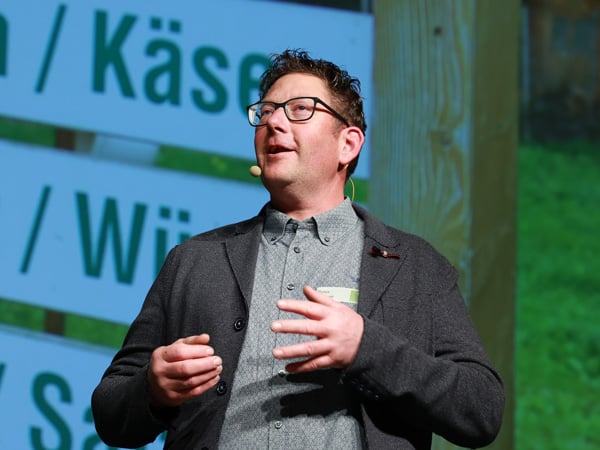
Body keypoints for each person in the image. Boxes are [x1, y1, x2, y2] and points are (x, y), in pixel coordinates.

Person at [92, 49, 504, 449]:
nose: (274, 122)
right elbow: (110, 412)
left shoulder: (414, 265)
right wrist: (152, 388)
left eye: (300, 109)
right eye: (266, 112)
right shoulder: (195, 260)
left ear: (348, 144)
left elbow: (481, 409)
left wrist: (366, 347)